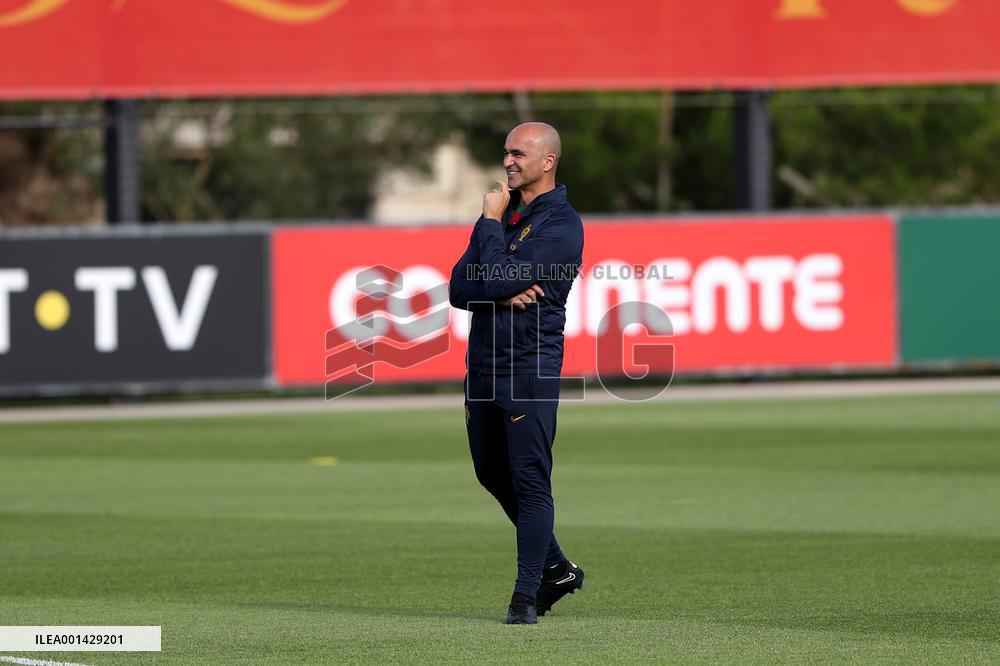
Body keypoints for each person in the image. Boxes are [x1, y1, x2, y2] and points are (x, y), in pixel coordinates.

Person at [448, 122, 585, 624]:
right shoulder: (503, 216)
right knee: (489, 471)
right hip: (481, 368)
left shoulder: (561, 224)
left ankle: (526, 596)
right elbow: (459, 289)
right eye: (505, 152)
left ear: (547, 161)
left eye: (518, 153)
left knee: (529, 481)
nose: (507, 161)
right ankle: (557, 567)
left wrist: (491, 238)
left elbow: (497, 274)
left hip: (529, 368)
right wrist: (502, 285)